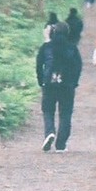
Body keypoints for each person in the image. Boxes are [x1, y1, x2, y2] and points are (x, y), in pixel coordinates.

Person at [35, 23, 83, 151]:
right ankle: (61, 144)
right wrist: (74, 82)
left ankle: (49, 132)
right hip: (67, 85)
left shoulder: (46, 47)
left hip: (49, 84)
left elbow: (39, 65)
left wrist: (41, 80)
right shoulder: (72, 48)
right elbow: (78, 66)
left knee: (48, 111)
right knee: (65, 114)